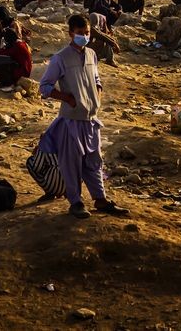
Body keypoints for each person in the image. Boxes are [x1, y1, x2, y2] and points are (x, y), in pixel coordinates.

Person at [39, 15, 128, 218]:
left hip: (90, 119)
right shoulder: (60, 58)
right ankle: (76, 202)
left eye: (87, 33)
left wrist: (97, 92)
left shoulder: (91, 54)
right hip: (71, 120)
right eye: (80, 33)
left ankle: (100, 199)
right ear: (71, 33)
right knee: (71, 163)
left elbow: (96, 78)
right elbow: (44, 87)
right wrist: (67, 98)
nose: (84, 36)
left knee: (94, 161)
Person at [0, 6, 33, 91]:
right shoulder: (5, 25)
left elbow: (16, 37)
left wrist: (2, 49)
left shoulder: (14, 25)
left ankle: (8, 82)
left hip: (19, 53)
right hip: (17, 50)